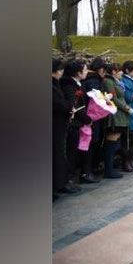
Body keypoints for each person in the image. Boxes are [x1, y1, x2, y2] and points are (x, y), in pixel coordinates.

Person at [53, 58, 79, 198]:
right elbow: (57, 103)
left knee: (60, 153)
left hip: (60, 124)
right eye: (60, 69)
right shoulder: (53, 85)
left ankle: (59, 183)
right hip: (55, 124)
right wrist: (69, 106)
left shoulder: (57, 84)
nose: (62, 72)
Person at [102, 63, 131, 176]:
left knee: (116, 141)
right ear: (113, 71)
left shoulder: (117, 82)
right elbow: (112, 97)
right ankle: (108, 170)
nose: (122, 73)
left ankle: (111, 168)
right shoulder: (108, 81)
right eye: (119, 71)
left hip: (120, 114)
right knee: (111, 141)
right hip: (115, 114)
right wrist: (125, 107)